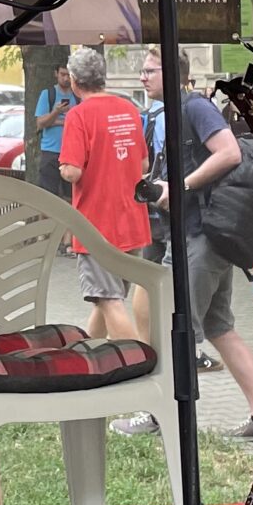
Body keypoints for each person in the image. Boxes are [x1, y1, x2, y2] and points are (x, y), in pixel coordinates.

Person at [116, 49, 253, 440]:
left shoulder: (195, 107)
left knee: (175, 327)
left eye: (149, 70)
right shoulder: (166, 114)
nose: (141, 77)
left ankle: (157, 414)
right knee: (221, 327)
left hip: (200, 238)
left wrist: (181, 186)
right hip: (196, 236)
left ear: (170, 72)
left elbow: (229, 152)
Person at [54, 47, 150, 350]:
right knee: (105, 298)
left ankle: (139, 364)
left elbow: (71, 172)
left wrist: (63, 166)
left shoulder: (79, 116)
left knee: (109, 300)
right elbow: (144, 164)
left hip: (96, 225)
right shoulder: (128, 109)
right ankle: (86, 355)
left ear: (73, 80)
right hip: (132, 222)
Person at [32, 65, 77, 200]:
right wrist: (56, 112)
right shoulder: (48, 94)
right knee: (48, 197)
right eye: (62, 74)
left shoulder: (77, 96)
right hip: (50, 151)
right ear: (56, 74)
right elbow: (40, 123)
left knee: (72, 196)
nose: (65, 78)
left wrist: (57, 122)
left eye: (68, 75)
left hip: (72, 153)